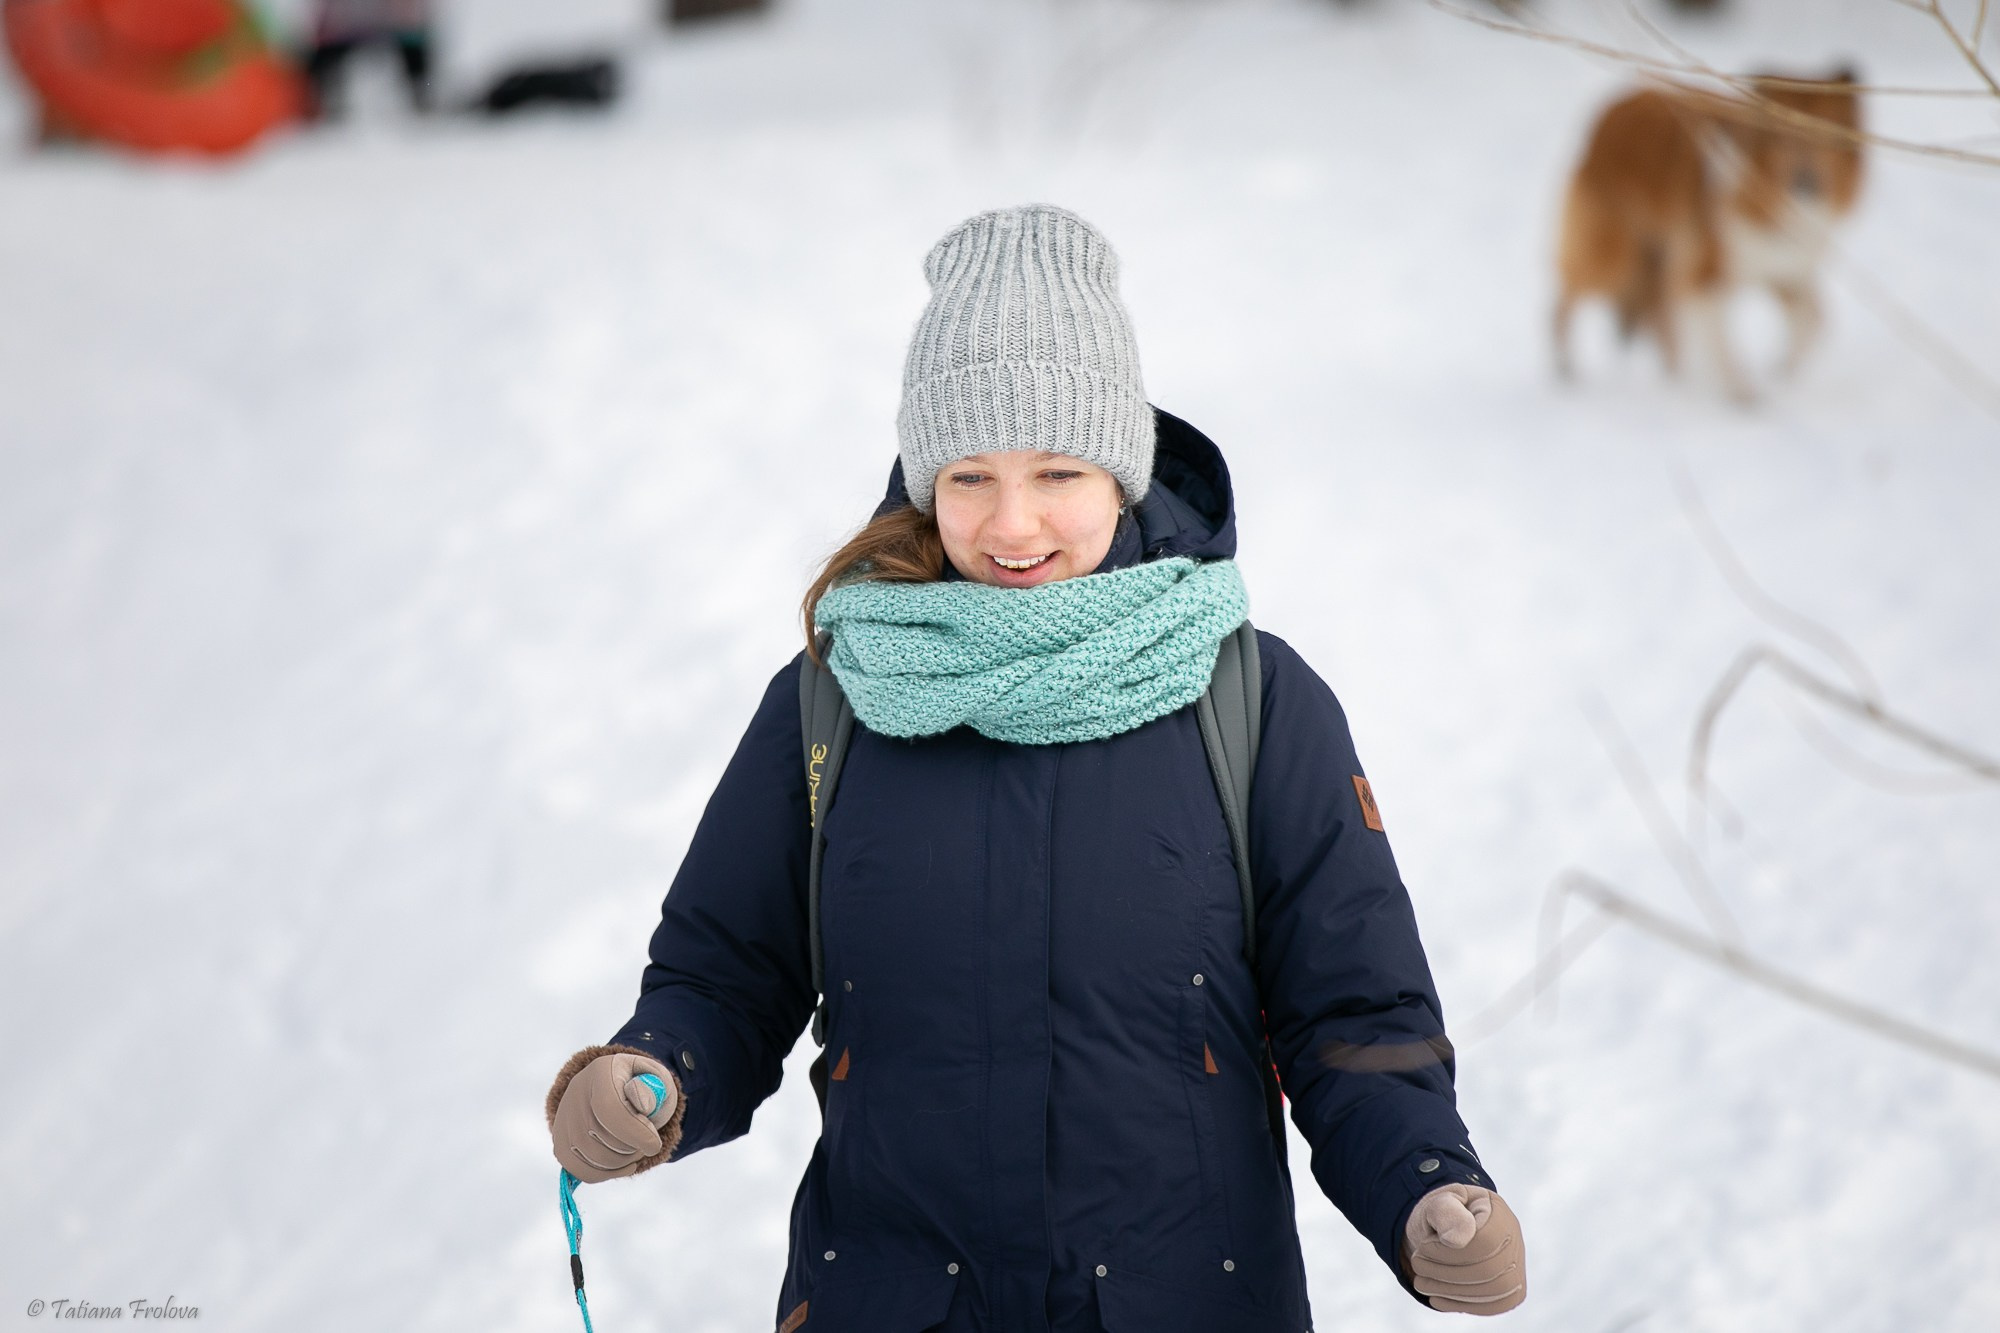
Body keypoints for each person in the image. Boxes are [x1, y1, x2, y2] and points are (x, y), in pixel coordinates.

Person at [545, 204, 1528, 1331]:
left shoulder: (1253, 699)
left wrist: (1422, 1184)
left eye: (1057, 470)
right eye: (968, 477)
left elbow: (1353, 1008)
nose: (1012, 524)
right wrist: (653, 1074)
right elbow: (725, 974)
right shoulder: (836, 695)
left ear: (1121, 471)